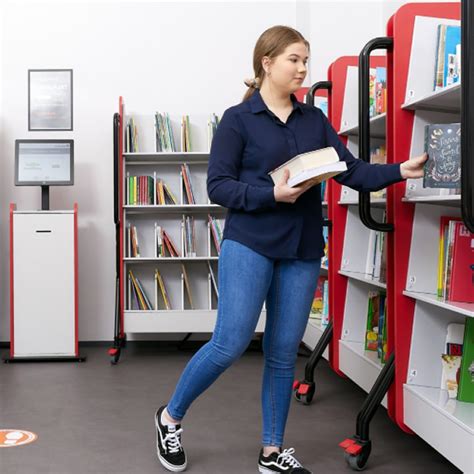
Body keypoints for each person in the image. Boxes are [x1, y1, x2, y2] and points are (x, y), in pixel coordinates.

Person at [154, 25, 427, 474]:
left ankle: (271, 451)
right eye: (294, 60)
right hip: (250, 243)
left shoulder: (314, 121)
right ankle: (170, 418)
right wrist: (270, 195)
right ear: (267, 62)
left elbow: (351, 171)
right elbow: (219, 186)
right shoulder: (237, 120)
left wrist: (401, 170)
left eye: (306, 60)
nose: (303, 69)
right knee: (229, 343)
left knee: (283, 352)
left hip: (300, 248)